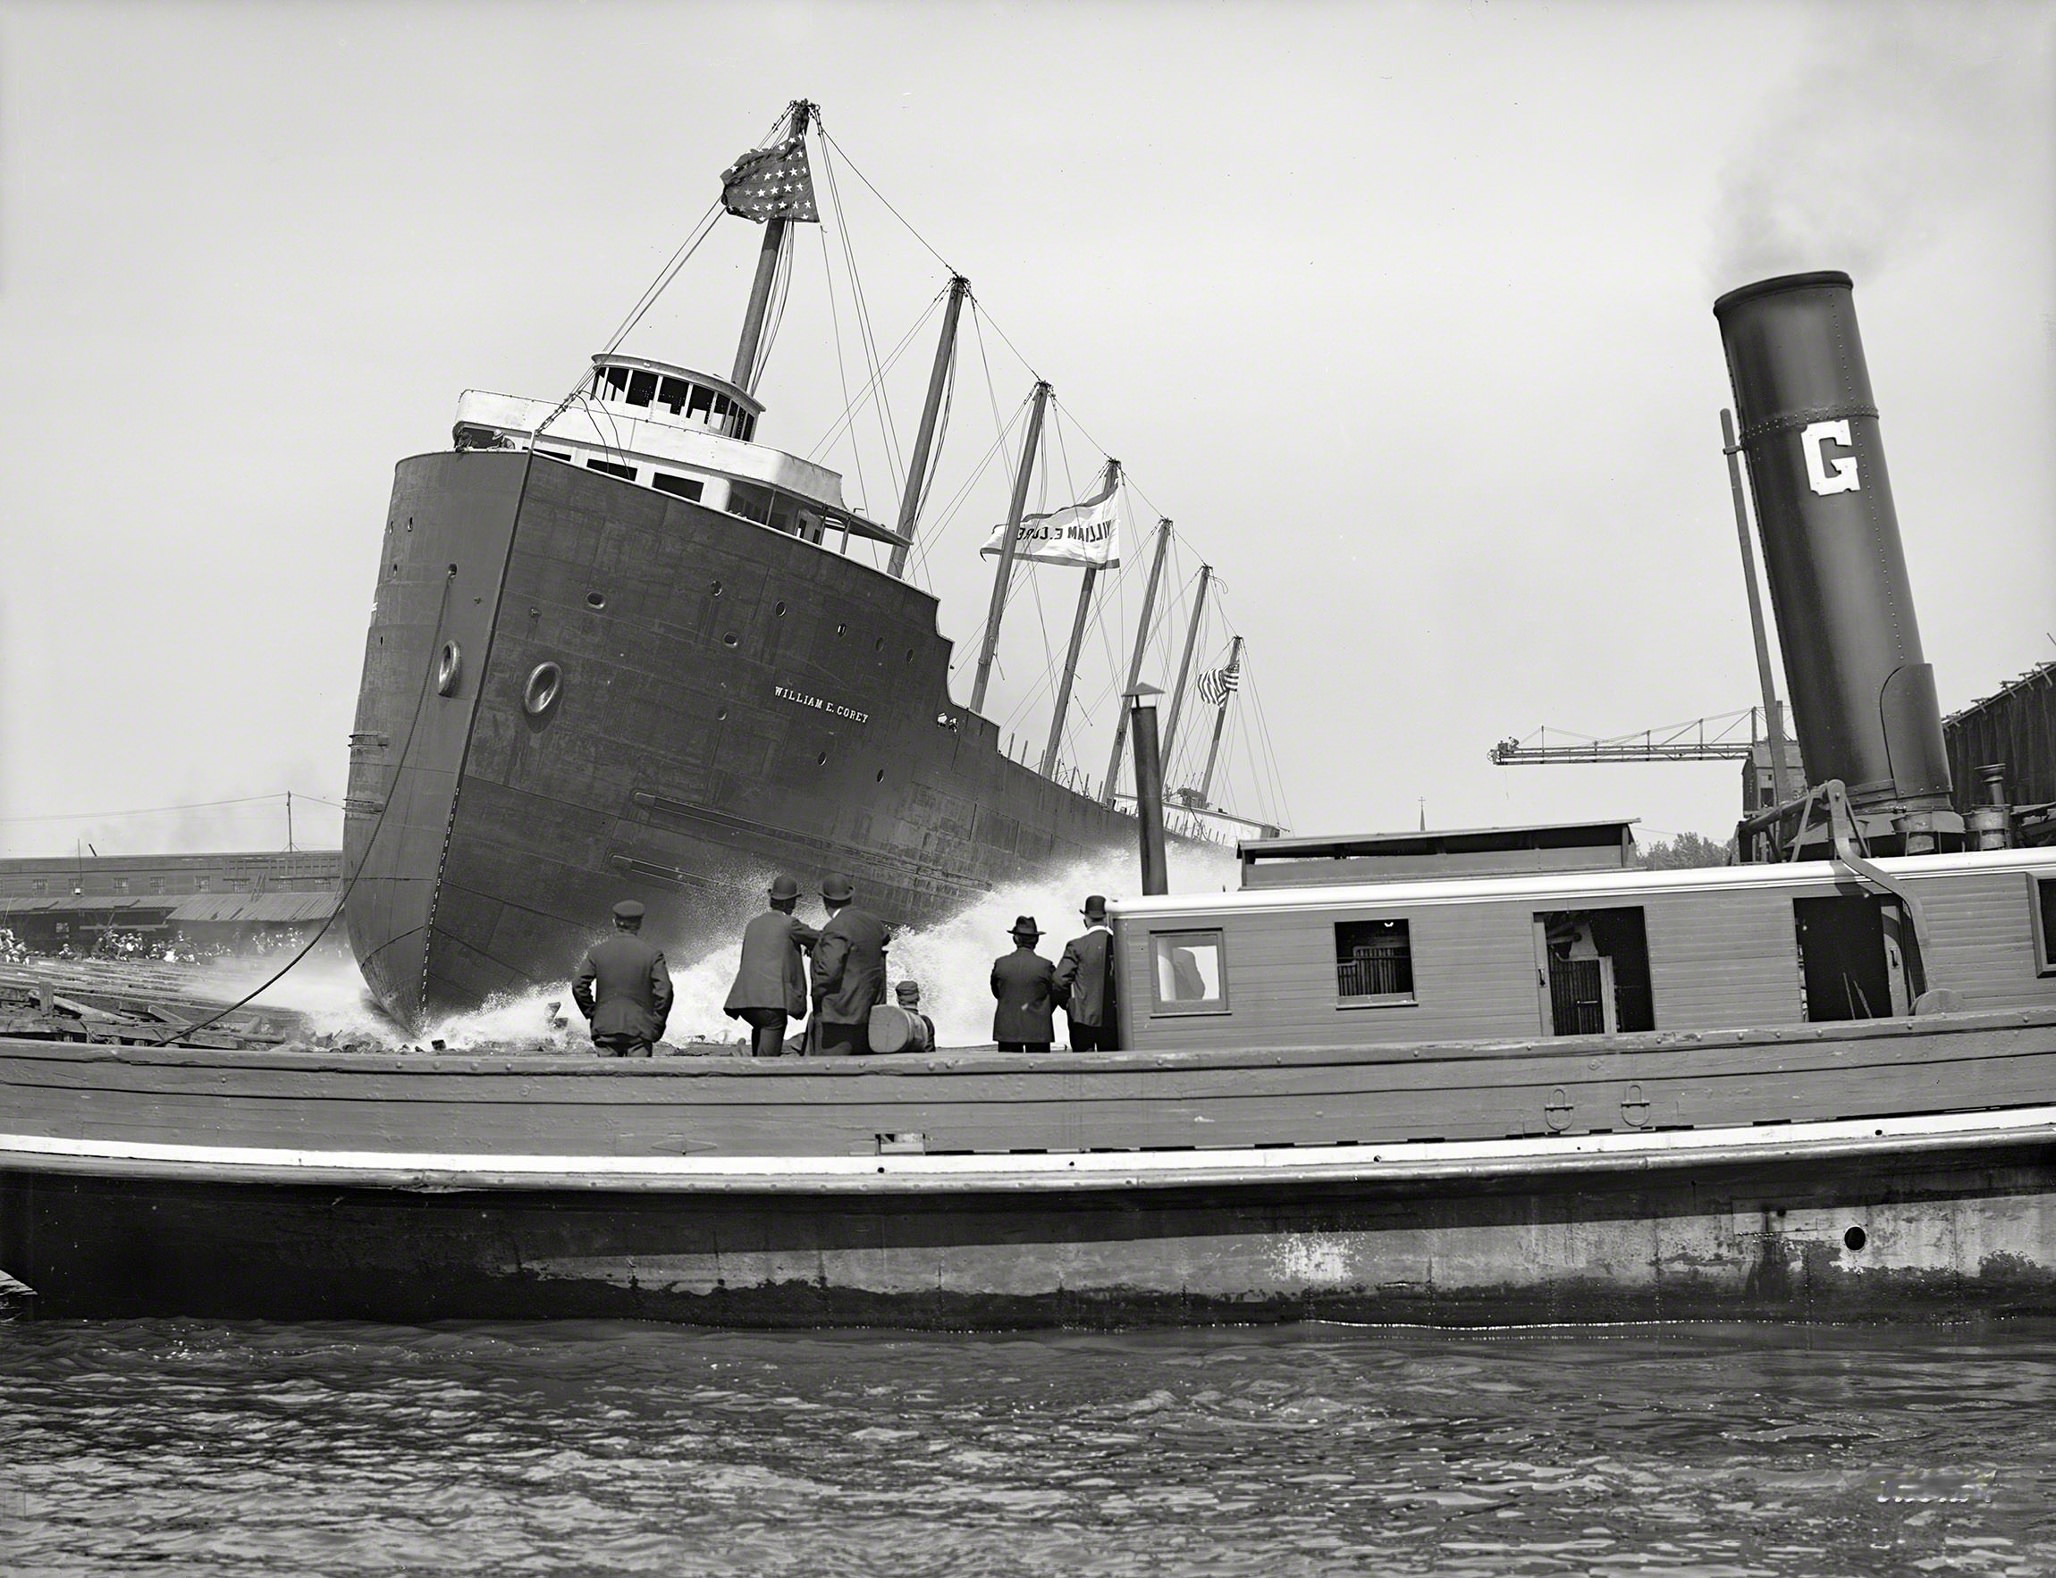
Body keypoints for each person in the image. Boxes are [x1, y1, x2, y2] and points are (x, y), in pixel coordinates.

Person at [723, 875, 819, 1057]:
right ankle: (759, 1078)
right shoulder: (790, 924)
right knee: (768, 1051)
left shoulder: (753, 924)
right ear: (791, 903)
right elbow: (820, 938)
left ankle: (754, 1069)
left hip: (744, 999)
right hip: (770, 1001)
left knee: (760, 1027)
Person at [571, 899, 673, 1058]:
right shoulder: (652, 954)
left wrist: (593, 1012)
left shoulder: (596, 952)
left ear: (615, 922)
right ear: (639, 924)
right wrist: (656, 1022)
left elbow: (579, 985)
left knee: (606, 1078)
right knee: (637, 1079)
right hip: (639, 1029)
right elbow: (664, 991)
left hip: (605, 1027)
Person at [810, 873, 889, 1056]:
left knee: (829, 1073)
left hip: (838, 1015)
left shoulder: (835, 927)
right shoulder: (873, 922)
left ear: (825, 901)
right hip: (868, 1013)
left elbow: (829, 971)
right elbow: (884, 938)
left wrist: (817, 994)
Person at [1053, 894, 1118, 1051]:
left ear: (1086, 919)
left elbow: (1058, 980)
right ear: (1106, 918)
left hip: (1082, 1018)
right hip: (1113, 1018)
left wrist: (1069, 1004)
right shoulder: (1117, 944)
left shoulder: (1076, 946)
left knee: (1083, 1065)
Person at [991, 915, 1057, 1053]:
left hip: (1007, 1030)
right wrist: (1043, 1009)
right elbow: (1057, 992)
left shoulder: (1000, 964)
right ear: (1036, 939)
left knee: (1008, 1072)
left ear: (1015, 938)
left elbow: (997, 992)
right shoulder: (1045, 965)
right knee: (1039, 1072)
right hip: (1038, 1029)